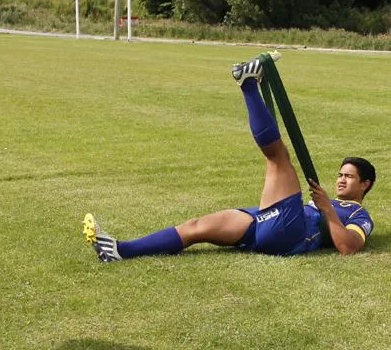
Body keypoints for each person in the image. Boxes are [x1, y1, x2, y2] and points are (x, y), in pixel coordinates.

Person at [83, 53, 375, 262]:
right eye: (340, 174)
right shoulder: (330, 200)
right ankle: (119, 250)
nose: (340, 179)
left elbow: (348, 248)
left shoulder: (360, 216)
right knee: (195, 227)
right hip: (269, 223)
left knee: (278, 158)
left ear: (366, 184)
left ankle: (247, 84)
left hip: (289, 234)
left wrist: (327, 209)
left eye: (348, 176)